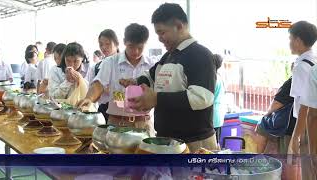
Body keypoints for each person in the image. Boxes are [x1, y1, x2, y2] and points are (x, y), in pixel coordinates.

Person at [119, 3, 217, 152]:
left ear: (178, 26)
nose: (159, 39)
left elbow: (202, 98)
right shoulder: (168, 56)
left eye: (162, 32)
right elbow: (150, 77)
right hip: (167, 140)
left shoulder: (200, 55)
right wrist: (137, 82)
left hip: (195, 143)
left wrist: (157, 99)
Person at [77, 23, 155, 135]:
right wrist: (89, 98)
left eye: (140, 47)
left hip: (144, 124)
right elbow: (99, 84)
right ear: (124, 42)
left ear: (146, 44)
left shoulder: (152, 65)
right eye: (131, 46)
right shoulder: (111, 62)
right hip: (117, 123)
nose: (136, 52)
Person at [287, 21, 317, 180]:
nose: (289, 43)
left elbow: (304, 104)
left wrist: (296, 136)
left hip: (308, 124)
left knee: (309, 171)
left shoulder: (300, 67)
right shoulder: (314, 60)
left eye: (290, 38)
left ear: (298, 41)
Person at [85, 29, 119, 121]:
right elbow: (92, 94)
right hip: (103, 109)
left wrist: (112, 91)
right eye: (101, 44)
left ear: (116, 44)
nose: (104, 47)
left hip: (121, 111)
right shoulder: (95, 67)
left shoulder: (123, 65)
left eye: (108, 44)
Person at [212, 54, 226, 144]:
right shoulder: (219, 77)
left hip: (212, 115)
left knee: (212, 147)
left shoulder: (213, 78)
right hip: (218, 115)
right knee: (216, 144)